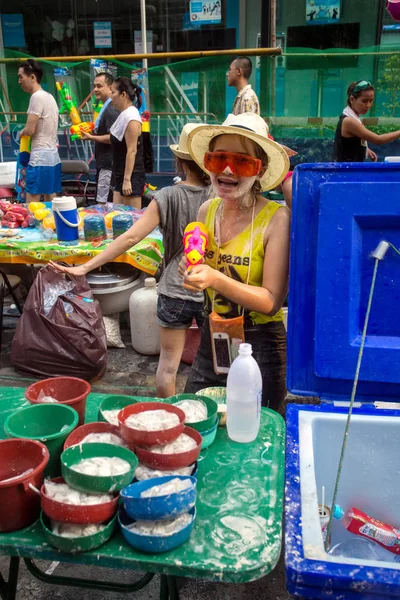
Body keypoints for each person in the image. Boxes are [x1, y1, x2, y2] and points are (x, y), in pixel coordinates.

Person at [50, 123, 210, 398]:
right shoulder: (219, 196)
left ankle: (168, 421)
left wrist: (86, 267)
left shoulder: (166, 196)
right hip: (211, 290)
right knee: (216, 366)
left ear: (180, 160)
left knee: (168, 367)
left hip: (174, 290)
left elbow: (129, 239)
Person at [179, 113, 290, 413]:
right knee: (197, 415)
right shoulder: (207, 211)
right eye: (218, 159)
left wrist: (214, 278)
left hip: (261, 345)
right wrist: (190, 272)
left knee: (256, 433)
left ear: (260, 169)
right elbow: (198, 272)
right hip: (212, 336)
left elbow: (271, 300)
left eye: (242, 162)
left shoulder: (277, 218)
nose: (228, 169)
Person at [18, 59, 61, 202]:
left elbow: (30, 130)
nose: (19, 81)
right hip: (53, 157)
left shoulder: (36, 97)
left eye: (21, 77)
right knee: (51, 201)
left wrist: (22, 132)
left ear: (32, 77)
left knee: (32, 205)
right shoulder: (50, 97)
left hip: (39, 158)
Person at [334, 80, 400, 162]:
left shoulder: (353, 117)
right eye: (364, 101)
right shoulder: (349, 121)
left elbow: (349, 143)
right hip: (347, 172)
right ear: (352, 99)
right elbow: (378, 140)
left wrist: (366, 150)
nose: (368, 105)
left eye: (371, 100)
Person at [81, 72, 120, 204]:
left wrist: (91, 137)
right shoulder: (104, 107)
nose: (95, 89)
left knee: (104, 204)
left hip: (108, 164)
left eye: (99, 86)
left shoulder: (111, 109)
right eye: (94, 86)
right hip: (104, 162)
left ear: (110, 88)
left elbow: (112, 137)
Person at [109, 77, 145, 209]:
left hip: (130, 176)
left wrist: (127, 180)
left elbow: (132, 150)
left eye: (113, 92)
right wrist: (91, 137)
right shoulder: (124, 115)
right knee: (117, 219)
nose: (110, 95)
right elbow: (115, 139)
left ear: (123, 94)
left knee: (131, 221)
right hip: (120, 174)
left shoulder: (132, 117)